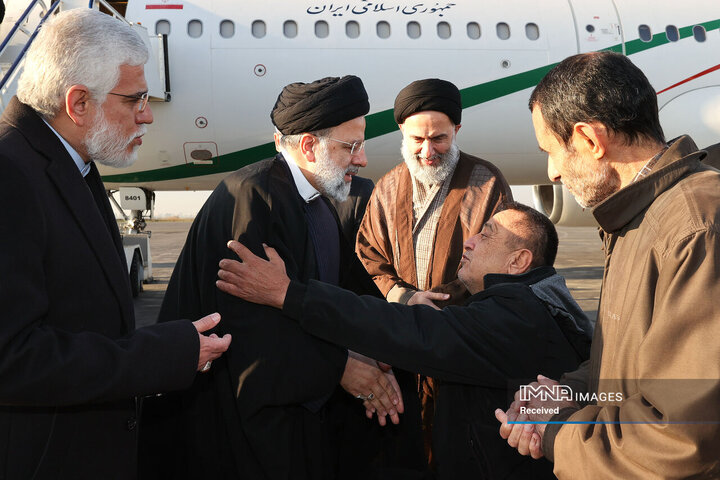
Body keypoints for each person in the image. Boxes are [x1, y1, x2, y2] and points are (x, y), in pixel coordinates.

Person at [0, 9, 230, 479]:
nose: (147, 114)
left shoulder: (71, 161)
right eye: (136, 99)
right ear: (79, 102)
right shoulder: (10, 176)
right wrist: (162, 354)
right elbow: (13, 359)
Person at [140, 76, 407, 480]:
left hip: (293, 419)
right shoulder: (254, 198)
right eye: (350, 146)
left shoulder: (317, 199)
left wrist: (378, 337)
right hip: (241, 431)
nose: (362, 159)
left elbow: (332, 292)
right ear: (307, 146)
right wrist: (341, 368)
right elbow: (248, 335)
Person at [216, 202, 593, 479]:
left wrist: (290, 294)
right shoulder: (529, 307)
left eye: (487, 234)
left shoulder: (518, 317)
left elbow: (413, 332)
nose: (471, 241)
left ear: (518, 262)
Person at [495, 51, 720, 478]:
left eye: (552, 151)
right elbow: (636, 373)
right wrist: (567, 393)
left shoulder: (697, 227)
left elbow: (684, 433)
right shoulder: (639, 217)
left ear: (590, 140)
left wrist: (555, 434)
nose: (552, 173)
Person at [356, 78, 513, 462]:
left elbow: (501, 262)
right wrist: (405, 296)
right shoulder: (388, 186)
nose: (428, 151)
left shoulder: (487, 182)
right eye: (417, 140)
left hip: (460, 346)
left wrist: (439, 303)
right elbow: (368, 254)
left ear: (456, 131)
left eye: (439, 139)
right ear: (402, 134)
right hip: (401, 347)